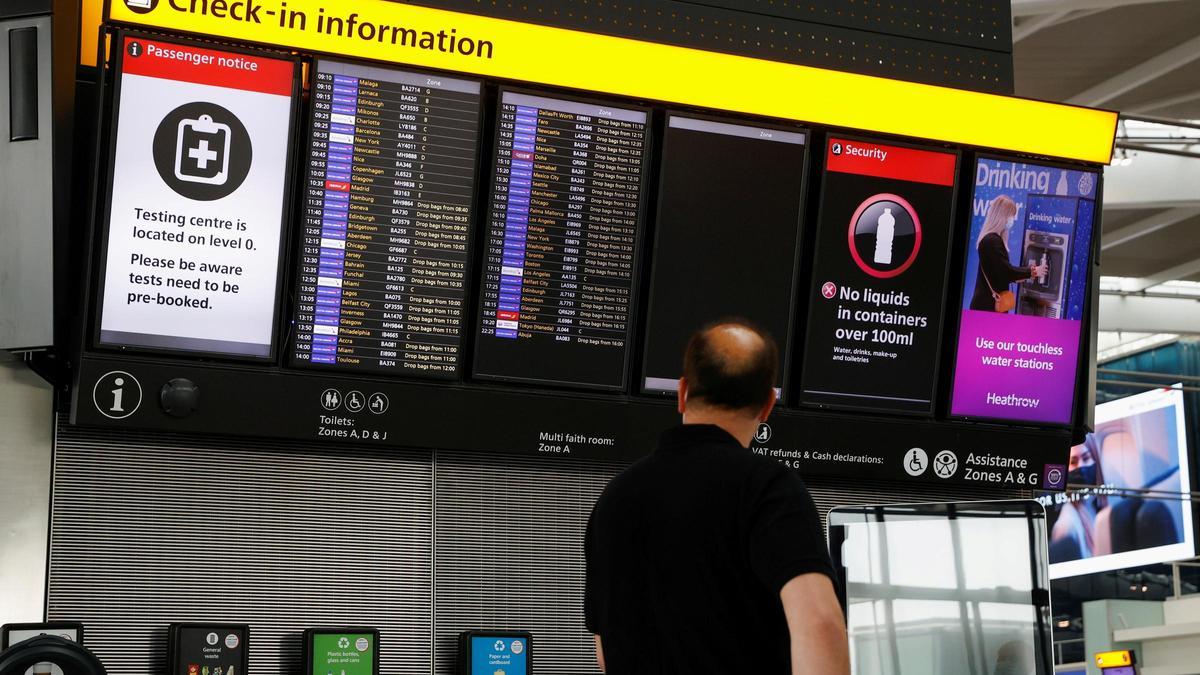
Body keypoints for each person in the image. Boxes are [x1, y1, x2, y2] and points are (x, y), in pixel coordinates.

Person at [584, 320, 849, 675]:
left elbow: (606, 653)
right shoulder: (769, 488)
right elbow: (819, 623)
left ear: (682, 392)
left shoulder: (613, 499)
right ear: (768, 405)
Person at [969, 195, 1048, 312]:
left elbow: (998, 272)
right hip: (988, 307)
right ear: (1002, 216)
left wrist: (1021, 276)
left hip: (989, 305)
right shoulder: (992, 241)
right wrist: (1034, 271)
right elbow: (1006, 272)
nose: (1013, 219)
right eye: (1011, 215)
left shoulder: (990, 239)